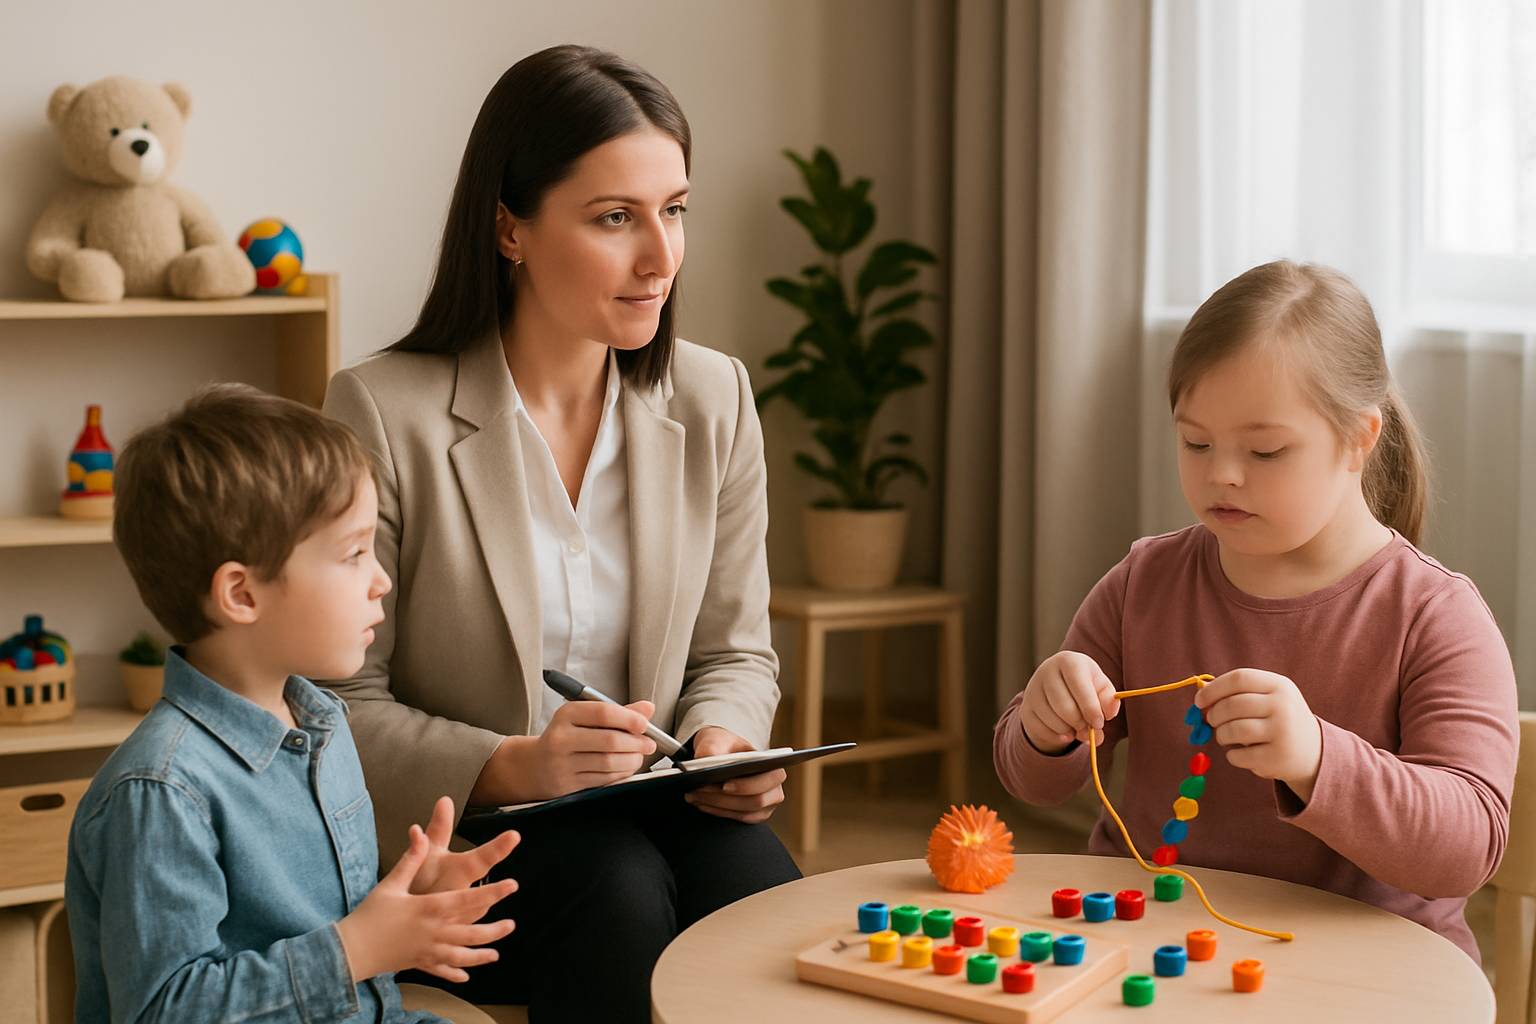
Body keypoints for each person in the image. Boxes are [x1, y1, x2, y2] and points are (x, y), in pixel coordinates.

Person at [320, 45, 800, 1021]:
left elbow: (735, 648)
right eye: (615, 217)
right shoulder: (381, 410)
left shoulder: (714, 399)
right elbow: (334, 701)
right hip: (463, 835)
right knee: (611, 885)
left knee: (757, 884)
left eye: (674, 210)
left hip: (656, 803)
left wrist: (726, 738)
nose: (661, 256)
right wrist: (512, 761)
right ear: (509, 226)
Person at [993, 260, 1518, 961]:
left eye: (1264, 449)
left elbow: (1467, 850)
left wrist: (1317, 758)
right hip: (1158, 953)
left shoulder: (1435, 616)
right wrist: (1043, 726)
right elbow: (1031, 781)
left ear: (1360, 438)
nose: (1221, 474)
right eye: (1195, 442)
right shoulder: (1143, 581)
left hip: (1362, 973)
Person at [67, 384, 520, 1023]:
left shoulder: (323, 722)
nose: (381, 579)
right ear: (242, 595)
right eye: (353, 553)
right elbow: (163, 1011)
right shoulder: (160, 792)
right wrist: (356, 947)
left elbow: (317, 929)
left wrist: (404, 907)